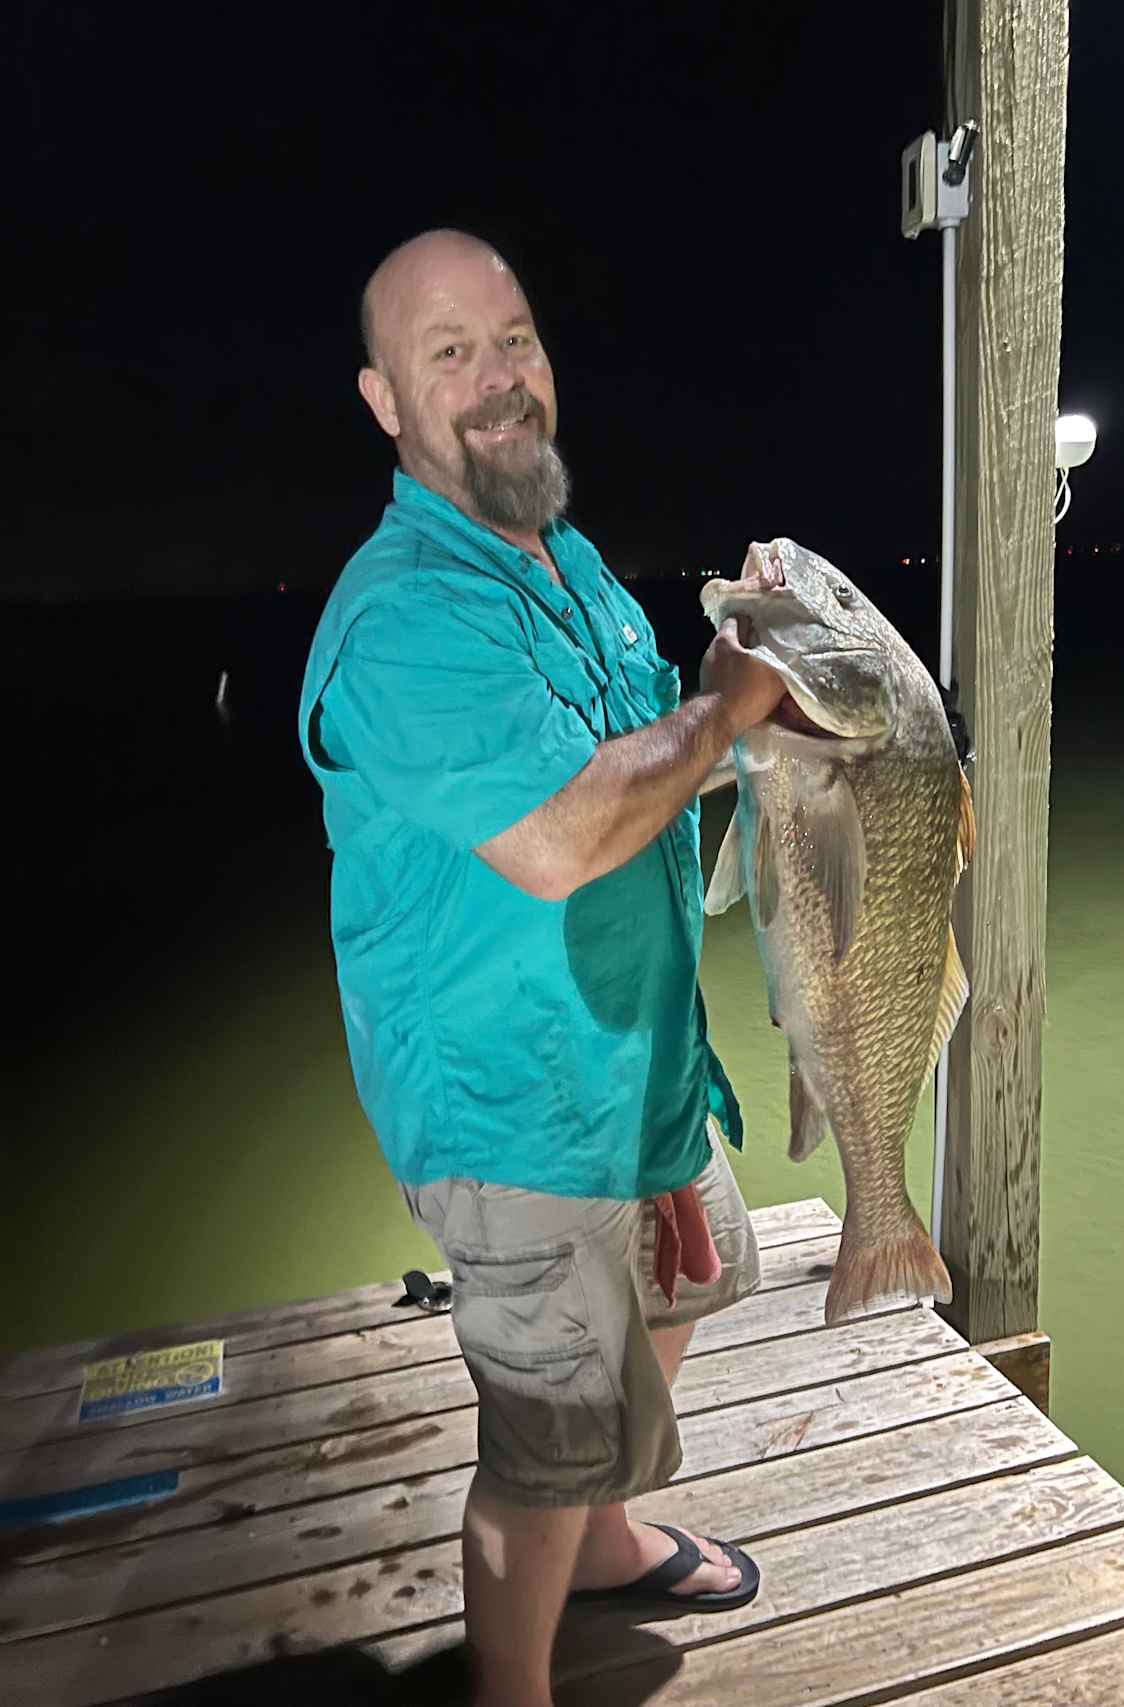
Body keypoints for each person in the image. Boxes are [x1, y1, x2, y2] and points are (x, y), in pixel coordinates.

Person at [297, 229, 786, 1707]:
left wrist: (773, 699)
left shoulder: (562, 561)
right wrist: (727, 707)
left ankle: (611, 1541)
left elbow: (653, 761)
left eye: (515, 340)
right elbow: (568, 834)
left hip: (635, 1063)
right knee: (546, 1432)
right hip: (514, 1111)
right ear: (387, 402)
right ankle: (513, 1684)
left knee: (703, 1274)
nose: (500, 379)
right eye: (451, 355)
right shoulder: (399, 620)